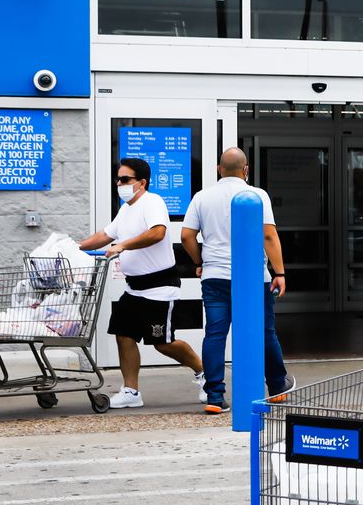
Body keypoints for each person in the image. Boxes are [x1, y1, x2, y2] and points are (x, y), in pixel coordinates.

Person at [77, 158, 205, 407]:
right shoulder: (125, 209)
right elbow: (105, 235)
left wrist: (124, 245)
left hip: (159, 289)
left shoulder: (152, 202)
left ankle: (205, 374)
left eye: (125, 179)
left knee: (163, 343)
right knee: (123, 335)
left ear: (142, 183)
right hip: (133, 288)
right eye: (118, 179)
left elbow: (158, 232)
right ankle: (131, 392)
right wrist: (75, 247)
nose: (119, 183)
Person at [180, 148, 292, 415]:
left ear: (219, 169)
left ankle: (215, 397)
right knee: (265, 332)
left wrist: (200, 263)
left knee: (215, 335)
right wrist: (280, 273)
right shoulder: (256, 195)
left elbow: (186, 236)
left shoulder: (201, 197)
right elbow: (268, 236)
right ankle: (277, 388)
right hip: (253, 279)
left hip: (215, 277)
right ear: (246, 170)